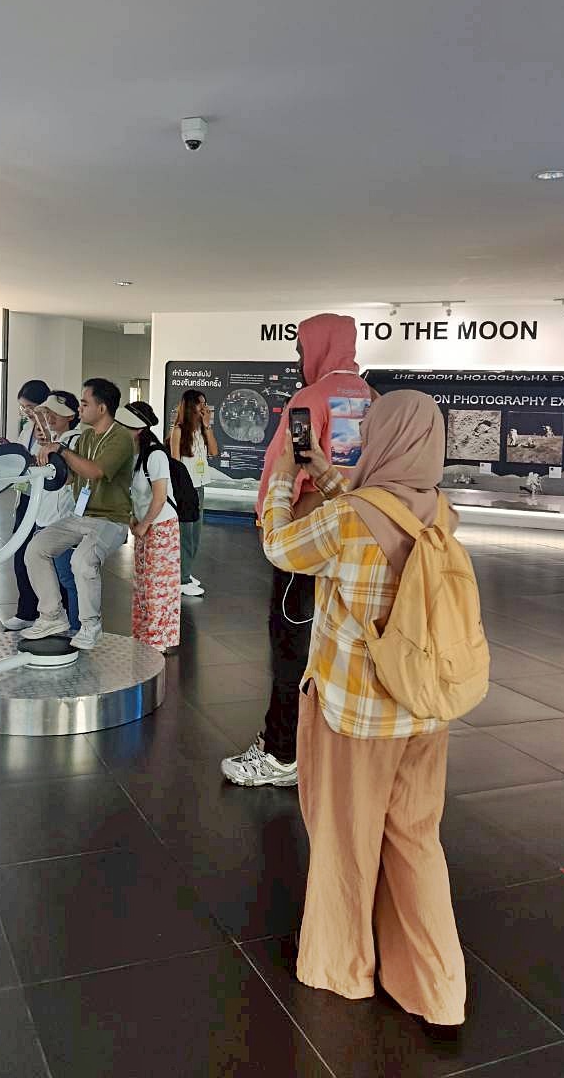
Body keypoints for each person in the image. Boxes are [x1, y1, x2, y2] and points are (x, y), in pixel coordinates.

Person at [259, 391, 466, 1035]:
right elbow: (376, 510)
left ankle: (342, 967)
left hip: (357, 717)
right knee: (415, 841)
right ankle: (437, 989)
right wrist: (326, 474)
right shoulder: (441, 511)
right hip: (425, 710)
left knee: (344, 843)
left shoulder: (347, 520)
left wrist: (280, 483)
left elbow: (281, 547)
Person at [221, 314, 373, 787]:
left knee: (291, 641)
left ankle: (281, 752)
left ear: (318, 346)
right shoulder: (373, 398)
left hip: (306, 537)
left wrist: (269, 519)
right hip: (357, 540)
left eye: (301, 349)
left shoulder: (310, 398)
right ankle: (320, 746)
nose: (298, 359)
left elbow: (282, 468)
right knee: (338, 646)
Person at [21, 378, 133, 651]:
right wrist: (49, 460)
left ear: (102, 408)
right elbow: (72, 477)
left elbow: (95, 472)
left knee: (82, 561)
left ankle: (90, 625)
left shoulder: (120, 437)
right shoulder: (86, 437)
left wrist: (61, 449)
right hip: (81, 516)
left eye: (84, 403)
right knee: (35, 549)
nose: (80, 408)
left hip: (111, 520)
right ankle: (52, 616)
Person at [4, 390, 82, 635]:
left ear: (71, 416)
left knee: (67, 578)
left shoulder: (74, 441)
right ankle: (57, 621)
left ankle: (77, 628)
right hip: (43, 516)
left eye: (56, 412)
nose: (49, 417)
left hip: (61, 519)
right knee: (48, 572)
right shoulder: (51, 440)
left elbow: (69, 477)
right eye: (47, 412)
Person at [118, 401, 181, 653]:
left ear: (137, 430)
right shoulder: (133, 454)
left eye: (124, 426)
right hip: (144, 525)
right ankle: (143, 634)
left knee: (159, 586)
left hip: (161, 526)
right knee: (143, 583)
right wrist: (133, 519)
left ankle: (158, 639)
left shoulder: (156, 455)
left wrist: (144, 524)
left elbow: (160, 497)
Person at [2, 379, 51, 627]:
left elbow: (47, 463)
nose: (27, 412)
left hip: (44, 501)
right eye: (23, 407)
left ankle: (46, 612)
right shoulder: (29, 427)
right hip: (26, 497)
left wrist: (30, 459)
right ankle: (26, 611)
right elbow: (26, 455)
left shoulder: (50, 430)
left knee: (39, 558)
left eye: (30, 407)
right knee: (20, 552)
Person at [169, 389, 219, 597]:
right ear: (191, 406)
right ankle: (182, 579)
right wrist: (178, 492)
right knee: (186, 536)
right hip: (185, 489)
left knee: (196, 534)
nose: (204, 407)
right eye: (201, 403)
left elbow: (214, 452)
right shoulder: (178, 430)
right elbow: (175, 463)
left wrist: (207, 426)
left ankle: (186, 572)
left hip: (200, 486)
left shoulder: (202, 430)